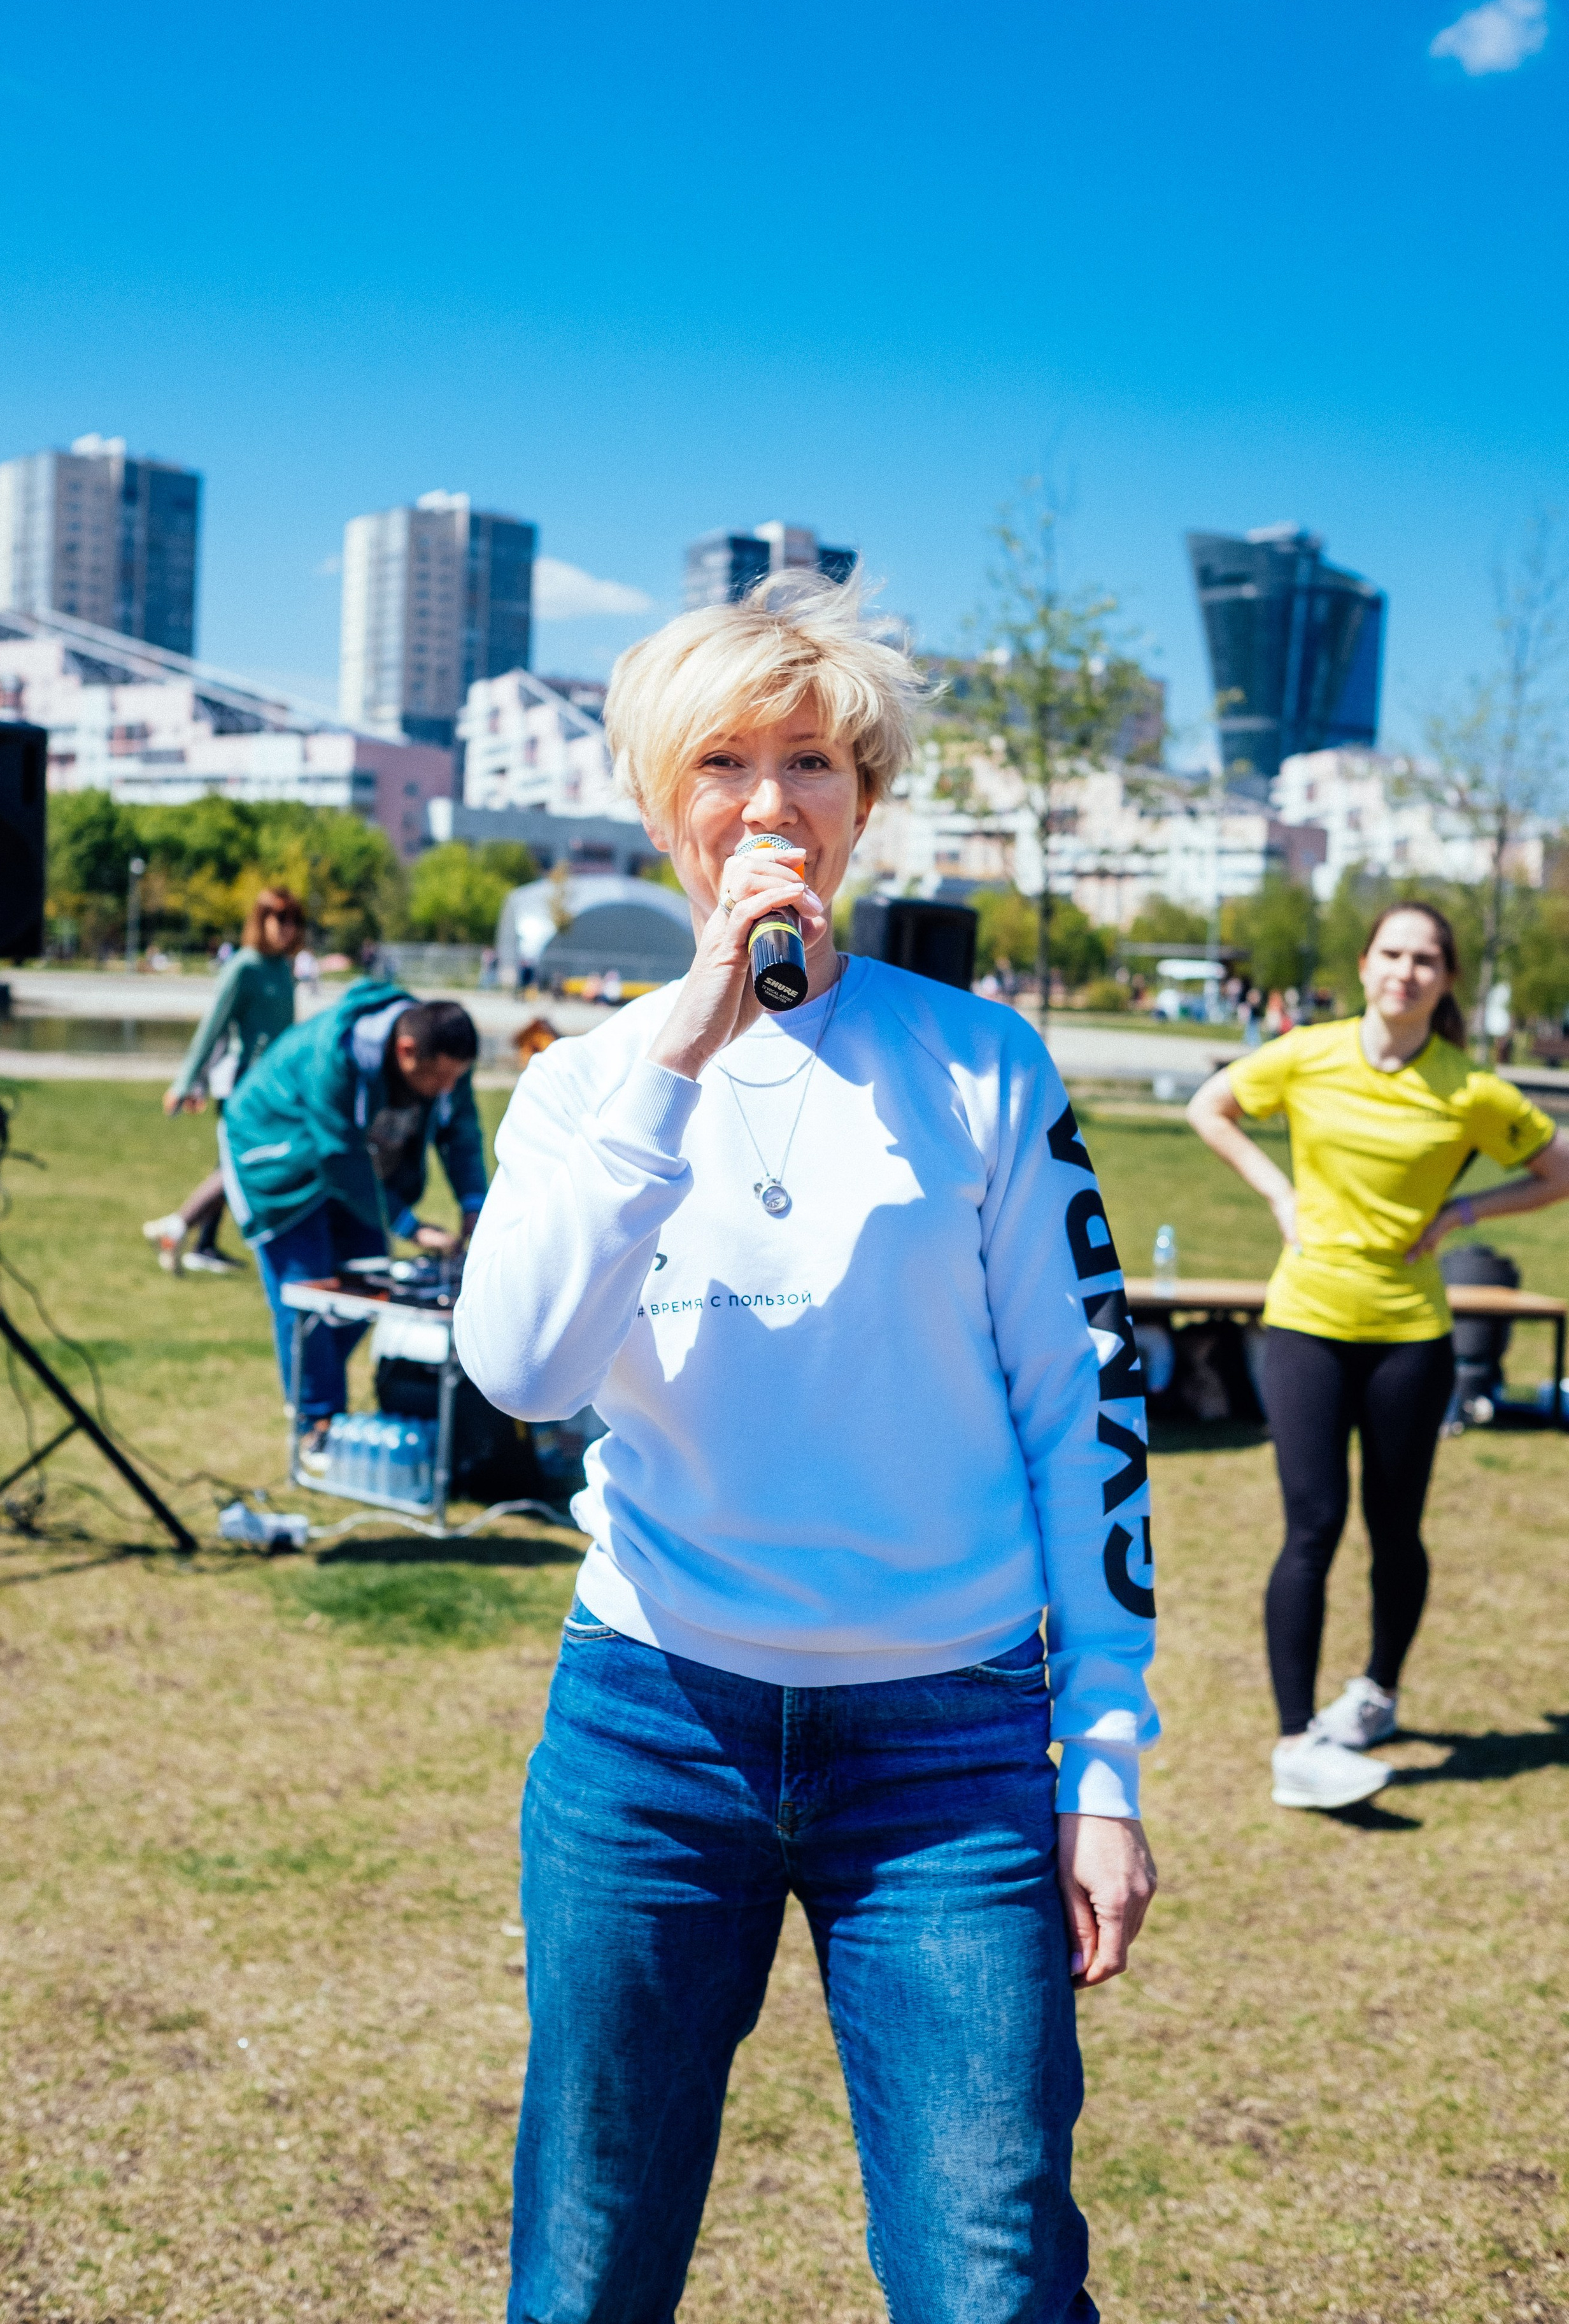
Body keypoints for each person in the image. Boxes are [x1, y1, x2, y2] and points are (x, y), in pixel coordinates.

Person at [455, 569, 1159, 2324]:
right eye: (721, 762)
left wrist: (1104, 1763)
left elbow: (1084, 1417)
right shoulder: (582, 1086)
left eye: (812, 762)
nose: (768, 802)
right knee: (588, 2263)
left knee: (991, 2273)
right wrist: (678, 1055)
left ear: (863, 801)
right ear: (658, 804)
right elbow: (524, 1371)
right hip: (651, 1728)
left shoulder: (980, 1065)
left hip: (946, 1748)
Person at [1187, 904, 1569, 1813]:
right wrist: (1278, 1194)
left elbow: (1560, 1170)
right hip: (1306, 1324)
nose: (1406, 970)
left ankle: (1377, 1693)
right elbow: (1212, 1107)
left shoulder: (1470, 1089)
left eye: (1425, 959)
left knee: (1395, 1531)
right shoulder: (1306, 1053)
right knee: (1312, 1527)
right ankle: (1295, 1743)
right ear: (1364, 964)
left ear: (1446, 979)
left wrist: (1463, 1214)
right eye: (1392, 953)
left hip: (1410, 1338)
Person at [220, 982, 486, 1469]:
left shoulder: (441, 1050)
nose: (447, 1088)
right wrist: (410, 1225)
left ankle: (316, 1390)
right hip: (275, 1157)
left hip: (349, 1169)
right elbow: (339, 1154)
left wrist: (474, 1203)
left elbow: (460, 1129)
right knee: (306, 1291)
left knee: (369, 1288)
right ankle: (316, 1424)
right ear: (406, 1051)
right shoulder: (333, 1055)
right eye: (438, 1077)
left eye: (456, 1078)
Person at [142, 888, 306, 1273]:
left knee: (235, 1167)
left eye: (295, 920)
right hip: (244, 1085)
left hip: (277, 1086)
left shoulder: (284, 967)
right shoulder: (244, 967)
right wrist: (187, 1083)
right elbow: (212, 1028)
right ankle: (182, 1230)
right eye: (280, 918)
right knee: (240, 1168)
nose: (288, 928)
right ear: (261, 920)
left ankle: (195, 1240)